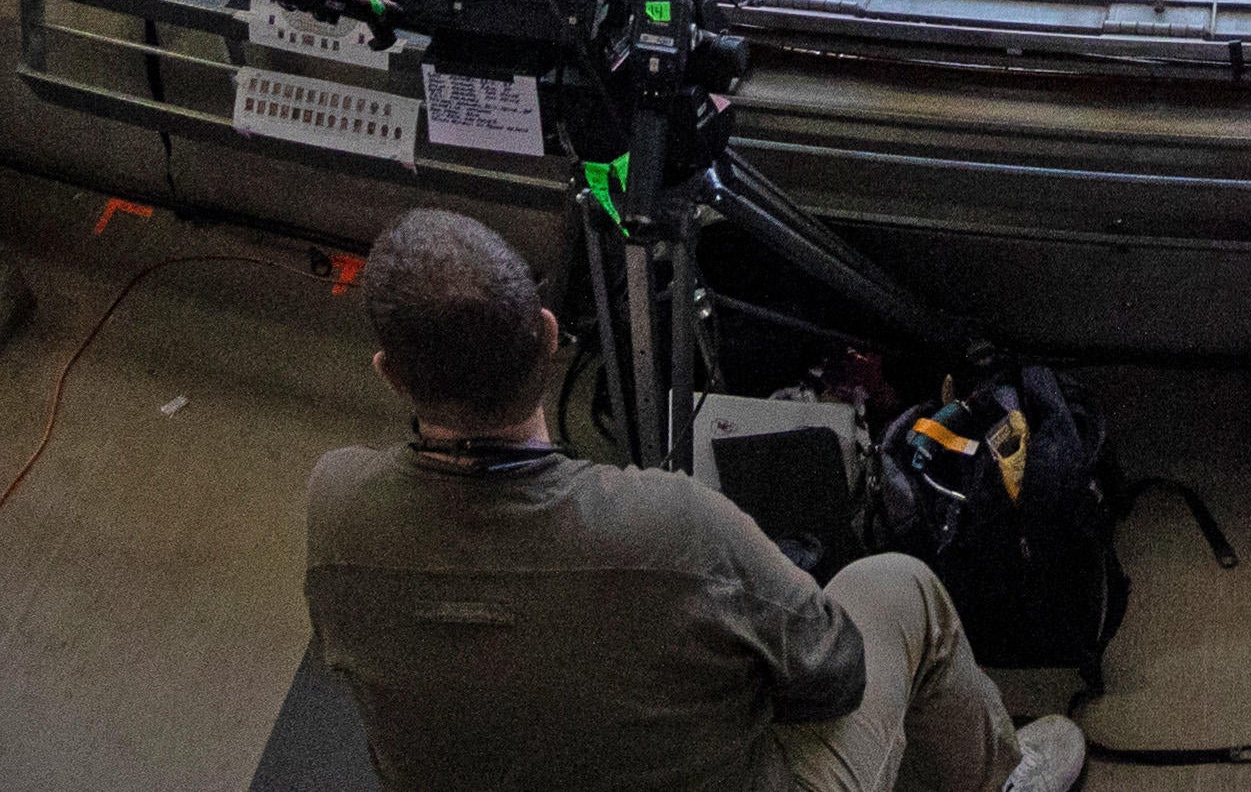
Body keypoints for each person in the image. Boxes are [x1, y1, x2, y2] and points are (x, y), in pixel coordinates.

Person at [305, 211, 1082, 792]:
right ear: (548, 336)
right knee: (896, 586)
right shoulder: (674, 524)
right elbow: (835, 675)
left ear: (390, 374)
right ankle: (1001, 777)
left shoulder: (335, 503)